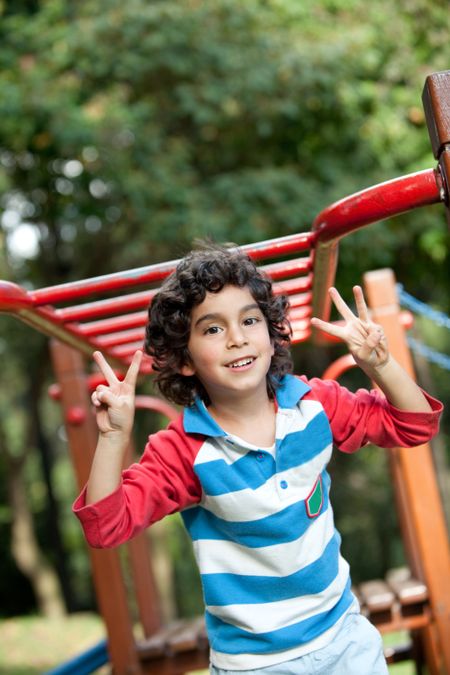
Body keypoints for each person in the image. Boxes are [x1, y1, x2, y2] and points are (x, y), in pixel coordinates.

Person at [73, 243, 442, 675]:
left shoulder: (314, 405)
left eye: (250, 320)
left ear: (270, 334)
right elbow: (106, 526)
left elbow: (415, 425)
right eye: (212, 329)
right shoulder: (183, 451)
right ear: (184, 359)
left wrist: (380, 365)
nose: (237, 337)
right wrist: (114, 437)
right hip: (254, 664)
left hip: (343, 639)